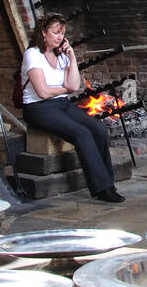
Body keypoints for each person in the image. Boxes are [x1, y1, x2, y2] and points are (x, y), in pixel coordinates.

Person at [21, 14, 123, 203]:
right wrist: (63, 89)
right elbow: (42, 92)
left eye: (62, 33)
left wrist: (72, 57)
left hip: (61, 104)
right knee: (81, 133)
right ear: (43, 33)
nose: (59, 37)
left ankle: (108, 181)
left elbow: (74, 85)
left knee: (99, 129)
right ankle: (102, 188)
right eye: (55, 32)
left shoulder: (62, 56)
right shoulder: (33, 54)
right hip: (39, 108)